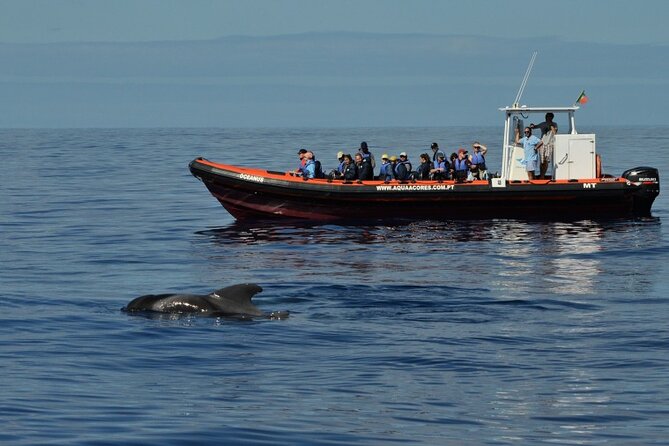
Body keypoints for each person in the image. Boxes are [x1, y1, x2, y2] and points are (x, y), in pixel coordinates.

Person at [530, 113, 558, 179]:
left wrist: (551, 127)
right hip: (542, 144)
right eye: (546, 116)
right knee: (542, 161)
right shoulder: (543, 123)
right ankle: (541, 175)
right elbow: (535, 127)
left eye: (548, 116)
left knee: (546, 160)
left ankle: (542, 175)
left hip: (549, 144)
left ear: (551, 117)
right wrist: (532, 126)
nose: (547, 117)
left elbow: (555, 133)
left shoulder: (554, 124)